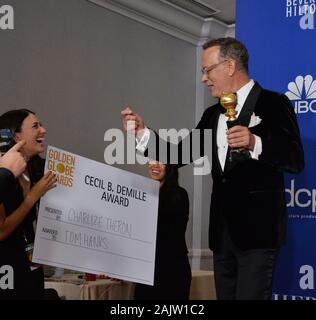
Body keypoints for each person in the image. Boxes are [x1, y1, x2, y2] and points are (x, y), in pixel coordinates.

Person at [121, 37, 304, 300]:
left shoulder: (273, 103)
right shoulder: (211, 115)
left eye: (207, 70)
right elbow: (179, 153)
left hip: (258, 234)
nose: (204, 79)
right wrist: (141, 133)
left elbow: (295, 160)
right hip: (221, 236)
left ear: (229, 66)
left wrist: (256, 142)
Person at [0, 109, 57, 300]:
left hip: (31, 266)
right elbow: (1, 231)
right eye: (35, 126)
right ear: (16, 136)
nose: (43, 130)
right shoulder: (3, 176)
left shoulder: (36, 170)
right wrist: (33, 196)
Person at [134, 161, 191, 300]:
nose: (155, 165)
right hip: (146, 272)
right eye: (152, 160)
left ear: (170, 167)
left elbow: (170, 234)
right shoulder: (142, 194)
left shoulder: (179, 195)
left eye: (161, 162)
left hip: (172, 270)